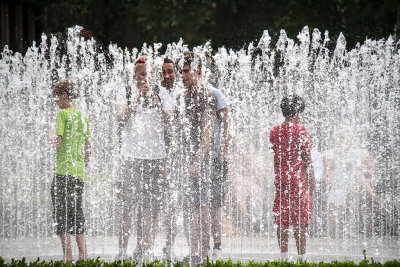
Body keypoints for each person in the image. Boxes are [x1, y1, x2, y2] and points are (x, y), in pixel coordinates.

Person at [115, 56, 172, 262]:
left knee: (151, 204)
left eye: (147, 74)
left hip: (156, 156)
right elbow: (120, 117)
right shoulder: (126, 91)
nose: (145, 78)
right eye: (141, 74)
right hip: (131, 156)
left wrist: (158, 104)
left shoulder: (162, 92)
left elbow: (170, 120)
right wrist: (137, 99)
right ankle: (121, 250)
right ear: (135, 75)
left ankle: (146, 248)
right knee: (128, 204)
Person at [174, 51, 217, 265]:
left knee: (202, 206)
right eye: (180, 71)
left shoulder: (207, 95)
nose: (181, 75)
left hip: (202, 160)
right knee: (188, 207)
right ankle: (193, 252)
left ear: (198, 71)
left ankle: (205, 253)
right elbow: (176, 131)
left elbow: (208, 131)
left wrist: (198, 161)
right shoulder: (181, 97)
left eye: (185, 71)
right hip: (183, 159)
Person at [47, 79, 91, 262]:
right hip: (78, 174)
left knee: (61, 214)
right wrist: (81, 164)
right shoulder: (83, 117)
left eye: (57, 97)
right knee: (77, 213)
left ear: (64, 95)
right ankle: (84, 256)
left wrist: (49, 135)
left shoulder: (62, 115)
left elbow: (57, 142)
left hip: (62, 173)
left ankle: (68, 257)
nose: (56, 101)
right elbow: (88, 149)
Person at [269, 95, 315, 260]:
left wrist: (278, 174)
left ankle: (283, 257)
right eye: (300, 112)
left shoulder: (274, 131)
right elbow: (307, 159)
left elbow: (275, 158)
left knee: (282, 218)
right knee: (300, 220)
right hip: (298, 180)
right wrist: (312, 179)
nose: (300, 116)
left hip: (281, 179)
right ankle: (302, 258)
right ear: (296, 112)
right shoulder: (300, 130)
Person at [207, 85, 231, 259]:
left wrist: (223, 149)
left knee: (215, 204)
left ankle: (217, 245)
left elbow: (228, 122)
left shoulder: (214, 93)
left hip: (214, 158)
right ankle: (201, 246)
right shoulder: (183, 91)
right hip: (194, 160)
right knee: (196, 205)